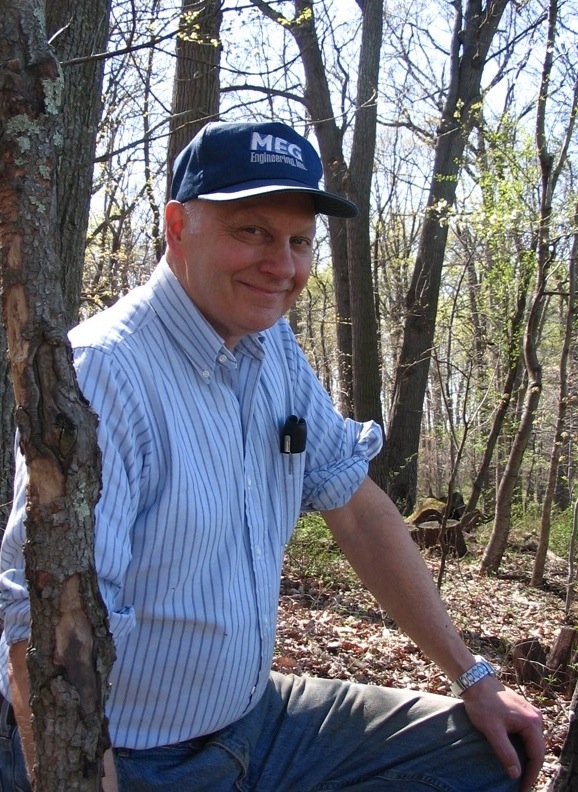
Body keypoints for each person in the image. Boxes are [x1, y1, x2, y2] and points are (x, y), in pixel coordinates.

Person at [0, 120, 543, 792]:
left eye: (298, 241)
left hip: (258, 724)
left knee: (492, 754)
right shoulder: (106, 375)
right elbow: (46, 640)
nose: (282, 266)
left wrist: (473, 674)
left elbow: (359, 511)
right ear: (177, 227)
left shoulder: (270, 346)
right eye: (251, 231)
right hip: (138, 758)